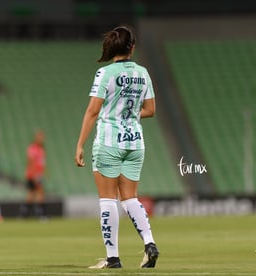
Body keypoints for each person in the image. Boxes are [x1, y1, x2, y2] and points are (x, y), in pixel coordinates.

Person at [75, 25, 159, 269]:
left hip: (109, 142)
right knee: (130, 198)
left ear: (112, 47)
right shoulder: (143, 73)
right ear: (132, 47)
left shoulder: (105, 74)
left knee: (108, 200)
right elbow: (151, 110)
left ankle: (113, 258)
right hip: (135, 143)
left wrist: (80, 144)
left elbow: (92, 111)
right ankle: (149, 243)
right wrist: (128, 114)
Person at [20, 130, 46, 218]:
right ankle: (40, 214)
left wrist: (44, 172)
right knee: (39, 193)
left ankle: (24, 214)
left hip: (37, 174)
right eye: (40, 137)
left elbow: (42, 162)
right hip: (34, 174)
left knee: (31, 194)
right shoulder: (33, 148)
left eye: (42, 137)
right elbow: (31, 162)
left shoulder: (41, 148)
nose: (42, 138)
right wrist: (35, 175)